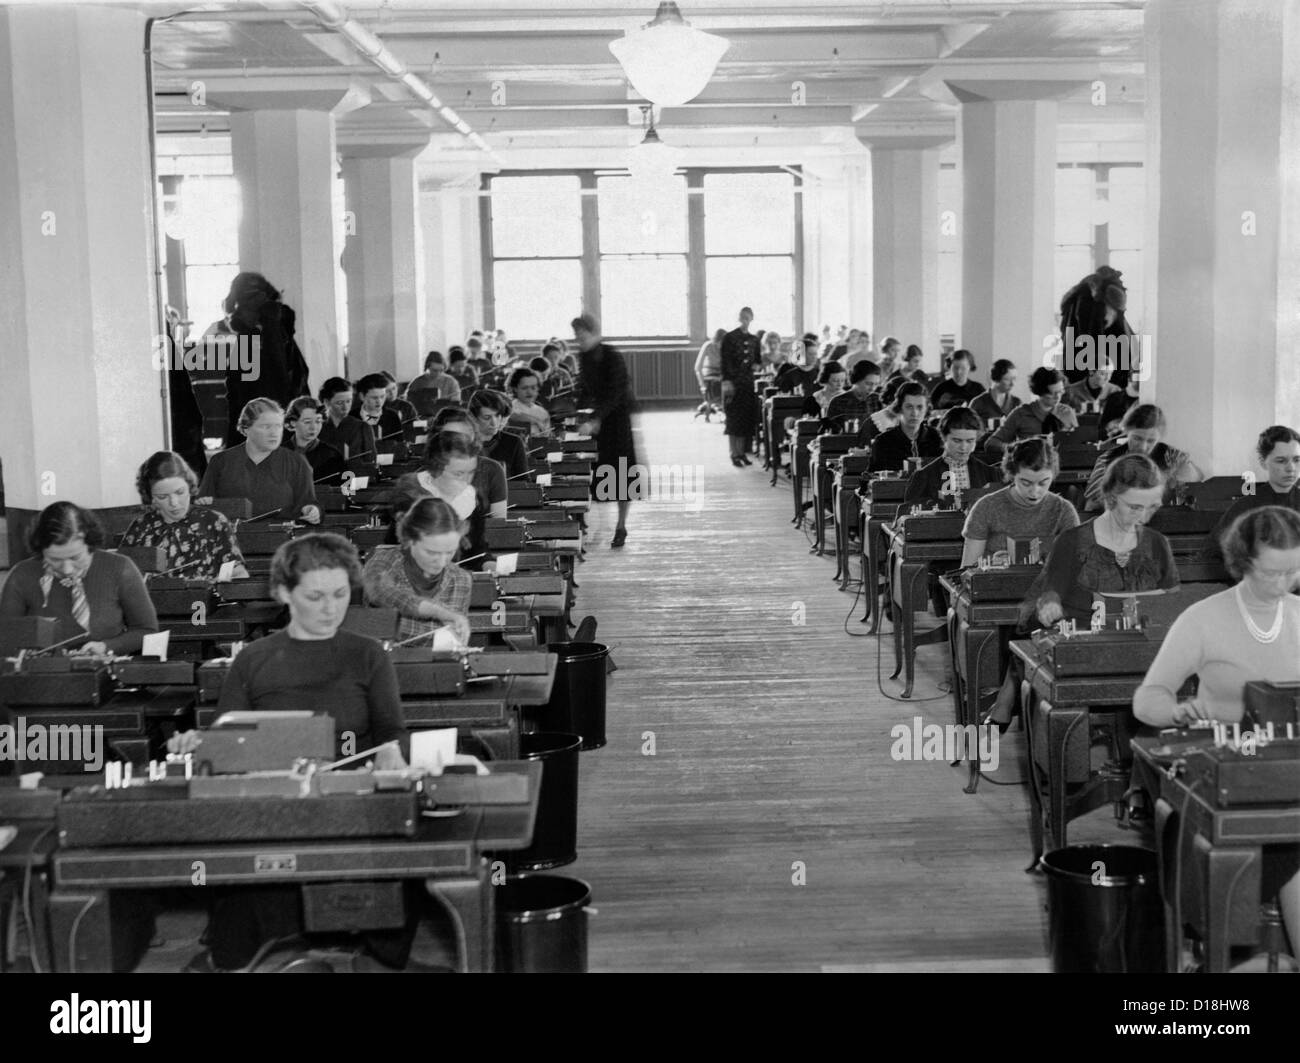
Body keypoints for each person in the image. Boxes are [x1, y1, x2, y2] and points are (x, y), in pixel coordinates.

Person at [170, 533, 408, 972]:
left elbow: (391, 732)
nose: (331, 608)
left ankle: (357, 954)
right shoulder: (254, 659)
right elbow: (229, 742)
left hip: (348, 806)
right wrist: (200, 746)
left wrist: (392, 754)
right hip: (271, 808)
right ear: (284, 593)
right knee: (251, 874)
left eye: (340, 594)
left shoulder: (369, 655)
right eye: (315, 596)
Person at [1134, 506, 1300, 953]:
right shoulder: (1202, 619)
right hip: (1222, 777)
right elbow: (1147, 701)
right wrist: (1178, 712)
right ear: (1242, 562)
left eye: (1294, 571)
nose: (1283, 584)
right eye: (1271, 572)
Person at [0, 501, 159, 655]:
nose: (67, 569)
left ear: (90, 545)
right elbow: (5, 637)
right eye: (55, 560)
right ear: (40, 551)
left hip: (109, 673)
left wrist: (107, 646)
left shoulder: (120, 568)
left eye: (75, 558)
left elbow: (146, 630)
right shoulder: (21, 575)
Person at [203, 272, 310, 448]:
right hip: (270, 419)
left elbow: (282, 379)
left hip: (268, 419)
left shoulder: (266, 333)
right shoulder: (263, 333)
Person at [120, 451, 248, 581]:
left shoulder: (214, 521)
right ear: (151, 497)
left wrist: (213, 583)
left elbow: (238, 573)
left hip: (201, 600)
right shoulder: (141, 527)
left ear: (190, 486)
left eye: (180, 492)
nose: (174, 503)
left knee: (197, 603)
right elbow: (122, 579)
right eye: (162, 497)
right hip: (154, 601)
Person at [363, 497, 473, 644]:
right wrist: (442, 613)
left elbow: (452, 644)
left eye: (449, 552)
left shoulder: (460, 580)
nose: (441, 562)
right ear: (409, 540)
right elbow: (384, 593)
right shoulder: (383, 562)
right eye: (431, 552)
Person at [960, 438, 1080, 567]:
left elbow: (1074, 568)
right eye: (1026, 483)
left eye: (1043, 482)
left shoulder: (1064, 510)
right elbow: (967, 571)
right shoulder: (985, 507)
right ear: (1012, 475)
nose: (1034, 492)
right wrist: (994, 566)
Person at [573, 313, 639, 546]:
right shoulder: (583, 356)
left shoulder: (611, 355)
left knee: (621, 474)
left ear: (593, 332)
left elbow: (616, 391)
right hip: (597, 423)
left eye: (582, 335)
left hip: (617, 420)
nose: (578, 339)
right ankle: (602, 525)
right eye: (576, 336)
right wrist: (578, 411)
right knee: (598, 473)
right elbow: (584, 388)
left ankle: (621, 525)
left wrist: (597, 417)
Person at [199, 399, 321, 524]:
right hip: (231, 538)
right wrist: (204, 503)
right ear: (246, 429)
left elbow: (307, 502)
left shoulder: (296, 461)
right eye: (266, 426)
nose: (274, 433)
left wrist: (311, 510)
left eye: (278, 426)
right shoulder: (220, 462)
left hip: (281, 538)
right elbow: (202, 504)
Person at [394, 431, 495, 570]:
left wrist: (488, 564)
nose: (466, 480)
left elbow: (477, 549)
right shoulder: (409, 497)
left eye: (471, 472)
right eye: (458, 473)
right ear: (436, 467)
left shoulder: (472, 498)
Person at [1201, 425, 1300, 565]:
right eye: (1281, 461)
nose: (1291, 468)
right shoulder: (1246, 507)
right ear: (1263, 463)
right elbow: (1212, 552)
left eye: (1297, 460)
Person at [1082, 404, 1201, 513]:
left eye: (1151, 441)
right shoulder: (1107, 459)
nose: (1143, 447)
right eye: (1137, 438)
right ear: (1127, 432)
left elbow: (1195, 491)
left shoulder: (1173, 457)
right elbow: (1094, 502)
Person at [904, 408, 999, 508]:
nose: (963, 447)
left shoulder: (990, 474)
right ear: (944, 438)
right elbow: (910, 515)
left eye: (970, 441)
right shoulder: (923, 476)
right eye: (957, 441)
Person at [984, 367, 1079, 459]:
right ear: (1040, 391)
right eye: (1052, 393)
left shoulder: (1067, 412)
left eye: (1060, 391)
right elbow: (992, 443)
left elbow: (1078, 443)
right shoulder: (1021, 414)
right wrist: (1016, 448)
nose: (1058, 397)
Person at [864, 381, 942, 474]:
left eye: (920, 407)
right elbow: (871, 481)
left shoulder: (937, 438)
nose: (915, 413)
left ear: (926, 409)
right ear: (899, 408)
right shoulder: (883, 442)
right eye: (909, 407)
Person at [719, 306, 762, 468]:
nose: (744, 320)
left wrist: (757, 367)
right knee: (733, 419)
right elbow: (725, 361)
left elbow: (758, 360)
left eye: (747, 317)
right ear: (738, 318)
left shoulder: (754, 340)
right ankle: (733, 453)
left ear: (751, 319)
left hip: (748, 384)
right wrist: (727, 381)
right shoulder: (729, 338)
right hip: (732, 383)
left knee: (745, 418)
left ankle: (742, 452)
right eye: (742, 317)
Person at [318, 377, 378, 478]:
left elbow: (370, 461)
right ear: (327, 402)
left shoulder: (362, 427)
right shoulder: (317, 428)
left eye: (349, 401)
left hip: (356, 481)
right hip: (323, 483)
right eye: (340, 403)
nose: (345, 407)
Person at [282, 397, 348, 486]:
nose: (313, 427)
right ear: (293, 422)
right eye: (307, 422)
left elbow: (345, 492)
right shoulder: (278, 453)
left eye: (318, 421)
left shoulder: (332, 455)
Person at [470, 389, 528, 481]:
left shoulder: (514, 443)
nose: (494, 423)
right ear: (473, 417)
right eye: (487, 417)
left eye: (497, 416)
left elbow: (524, 484)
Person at [353, 372, 407, 459]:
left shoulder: (392, 417)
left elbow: (399, 449)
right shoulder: (351, 418)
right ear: (362, 396)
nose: (379, 401)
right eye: (374, 398)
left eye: (382, 396)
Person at [825, 360, 882, 433]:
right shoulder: (838, 401)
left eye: (876, 384)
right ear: (856, 380)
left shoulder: (878, 400)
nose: (872, 388)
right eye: (868, 384)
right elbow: (829, 432)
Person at [404, 351, 463, 415]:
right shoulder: (416, 383)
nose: (438, 373)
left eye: (441, 370)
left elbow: (456, 404)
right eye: (435, 370)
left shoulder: (451, 382)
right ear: (427, 367)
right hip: (422, 418)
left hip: (445, 417)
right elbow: (408, 406)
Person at [969, 359, 1021, 425]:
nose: (1013, 384)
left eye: (1014, 379)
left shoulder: (1017, 403)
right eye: (1007, 379)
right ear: (996, 378)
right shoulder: (977, 403)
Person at [508, 366, 551, 436]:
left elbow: (547, 434)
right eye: (524, 388)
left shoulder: (542, 412)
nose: (529, 392)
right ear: (515, 388)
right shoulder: (511, 406)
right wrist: (536, 421)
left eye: (533, 388)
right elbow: (513, 415)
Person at [694, 328, 725, 421]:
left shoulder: (727, 347)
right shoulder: (708, 346)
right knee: (713, 385)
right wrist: (701, 384)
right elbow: (697, 367)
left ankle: (723, 410)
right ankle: (712, 408)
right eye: (719, 342)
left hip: (721, 373)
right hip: (709, 374)